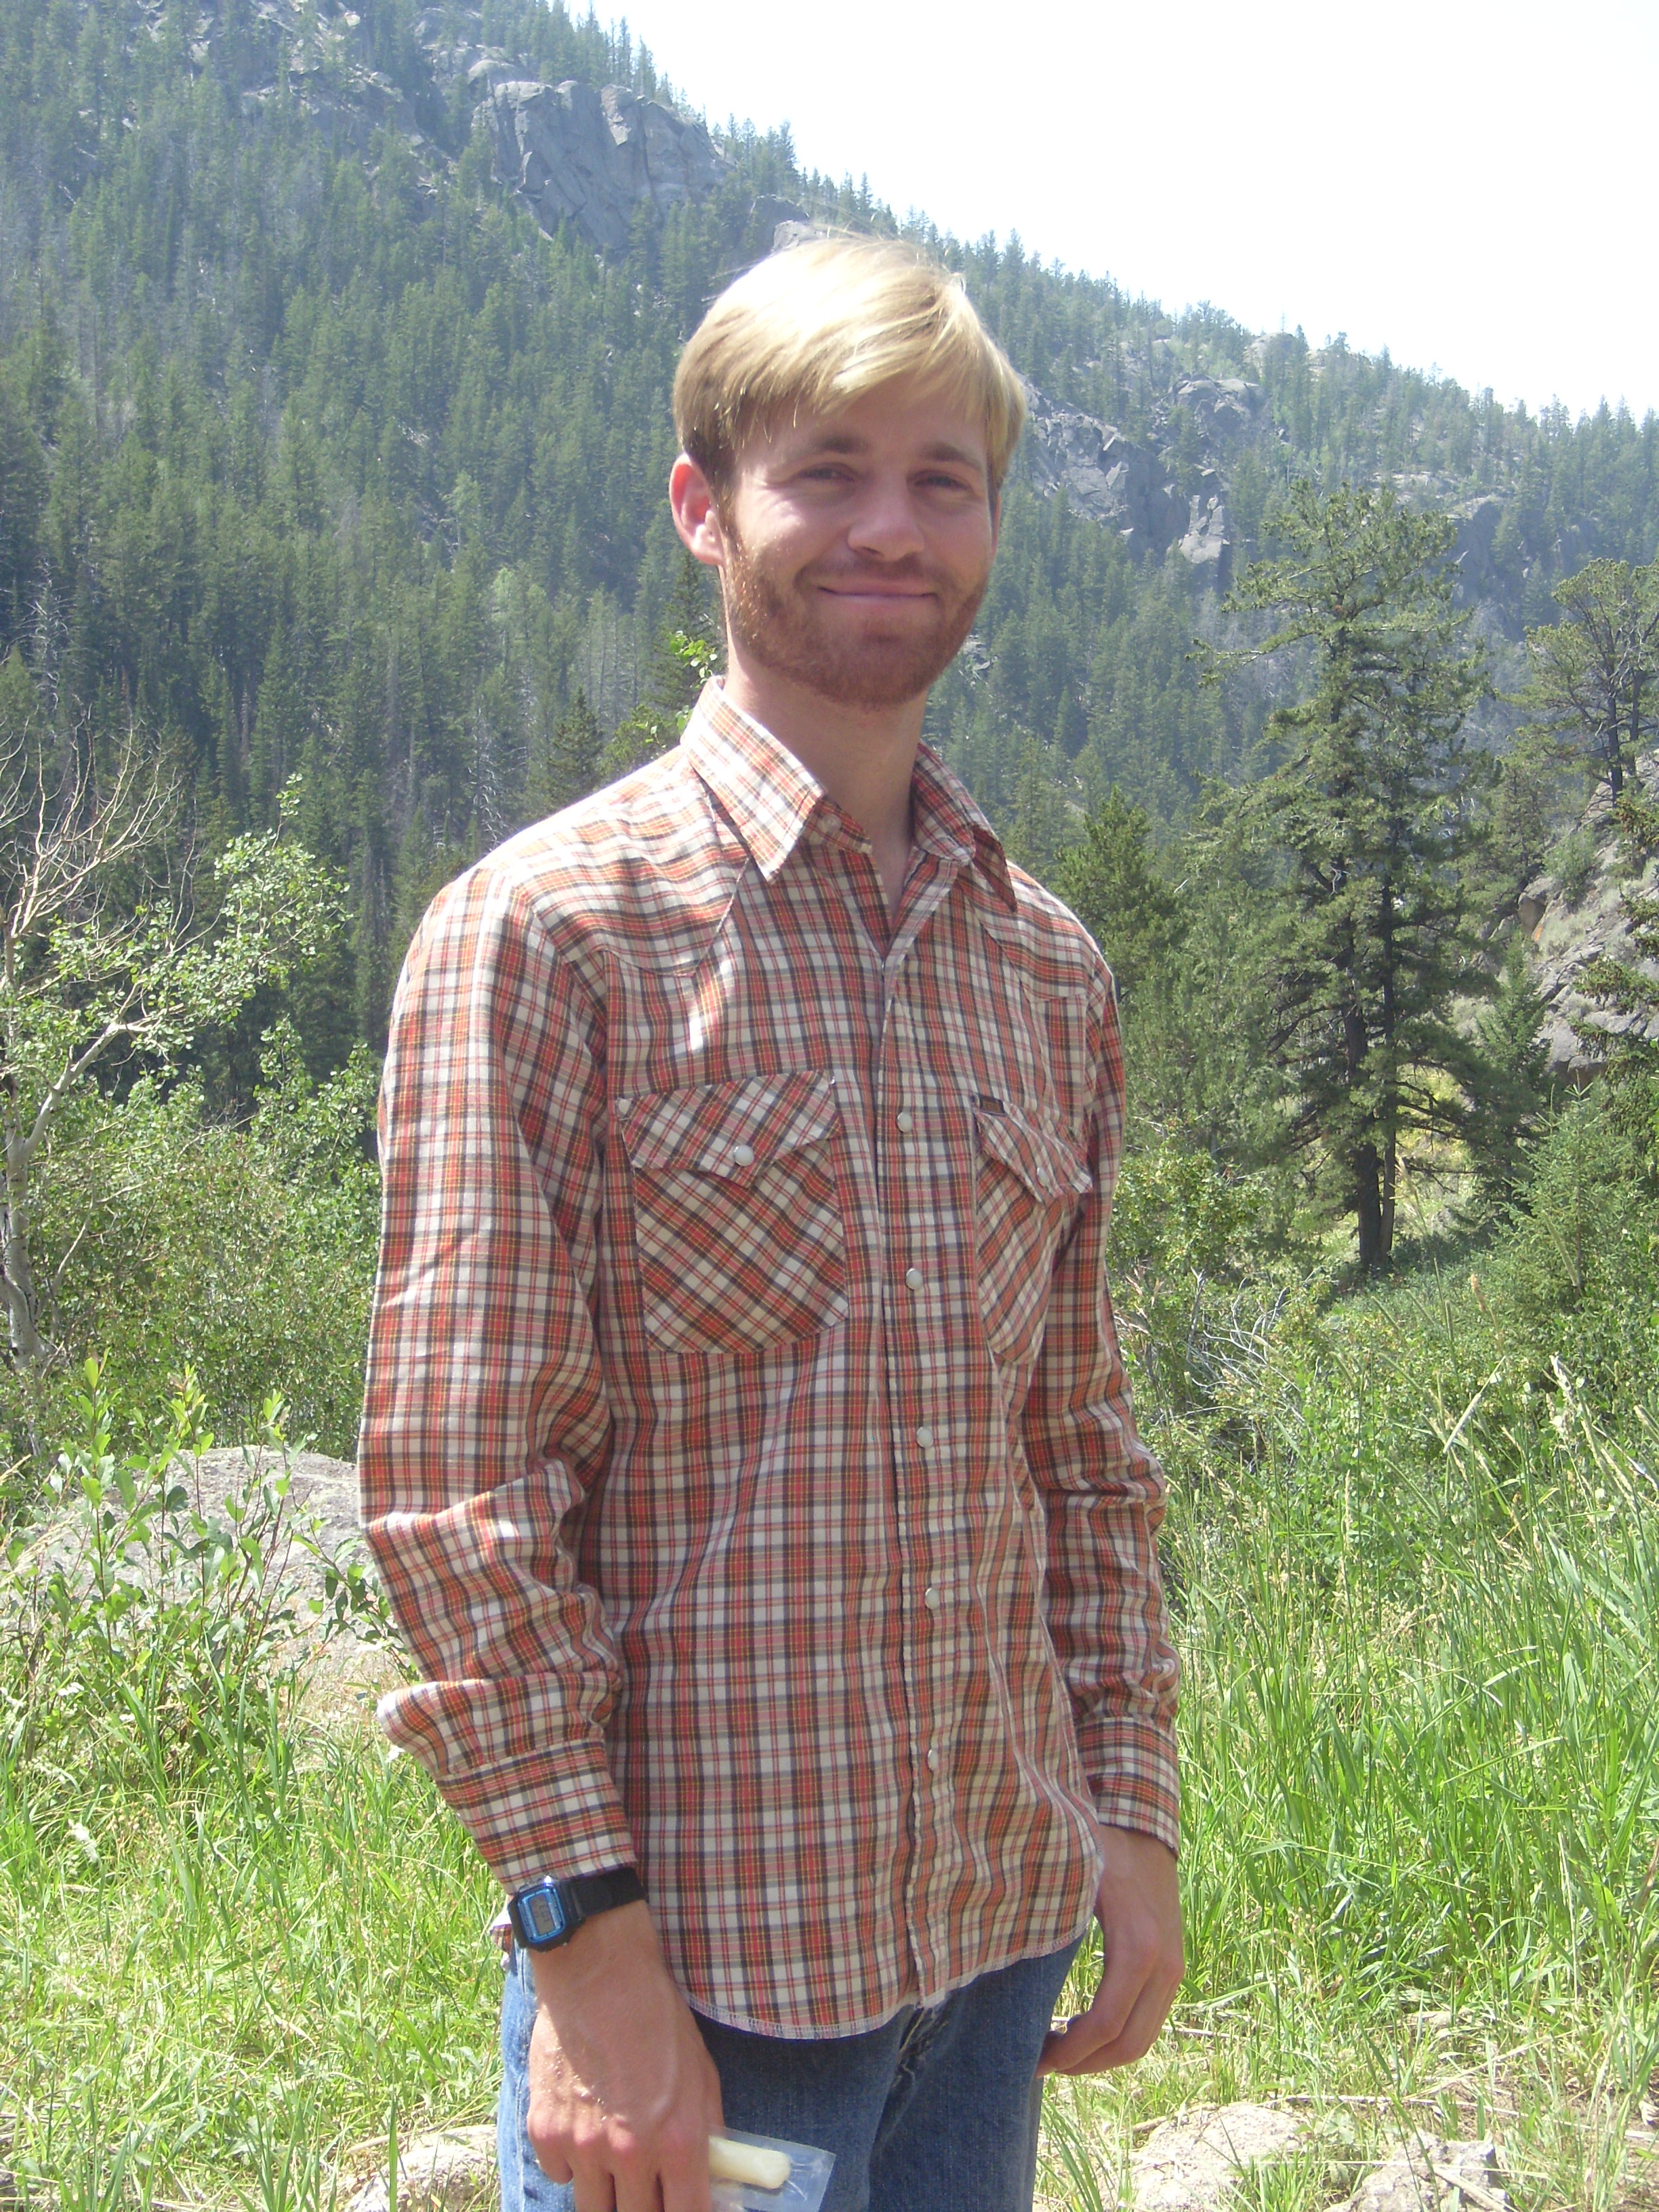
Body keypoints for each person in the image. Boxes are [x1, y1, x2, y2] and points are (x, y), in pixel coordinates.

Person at [360, 234, 1183, 2212]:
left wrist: (1131, 1823)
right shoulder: (553, 935)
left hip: (994, 1939)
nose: (888, 526)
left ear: (991, 520)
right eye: (826, 468)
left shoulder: (1044, 970)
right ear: (701, 507)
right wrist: (590, 1954)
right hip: (704, 1975)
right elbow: (461, 1495)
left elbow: (1075, 1449)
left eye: (941, 476)